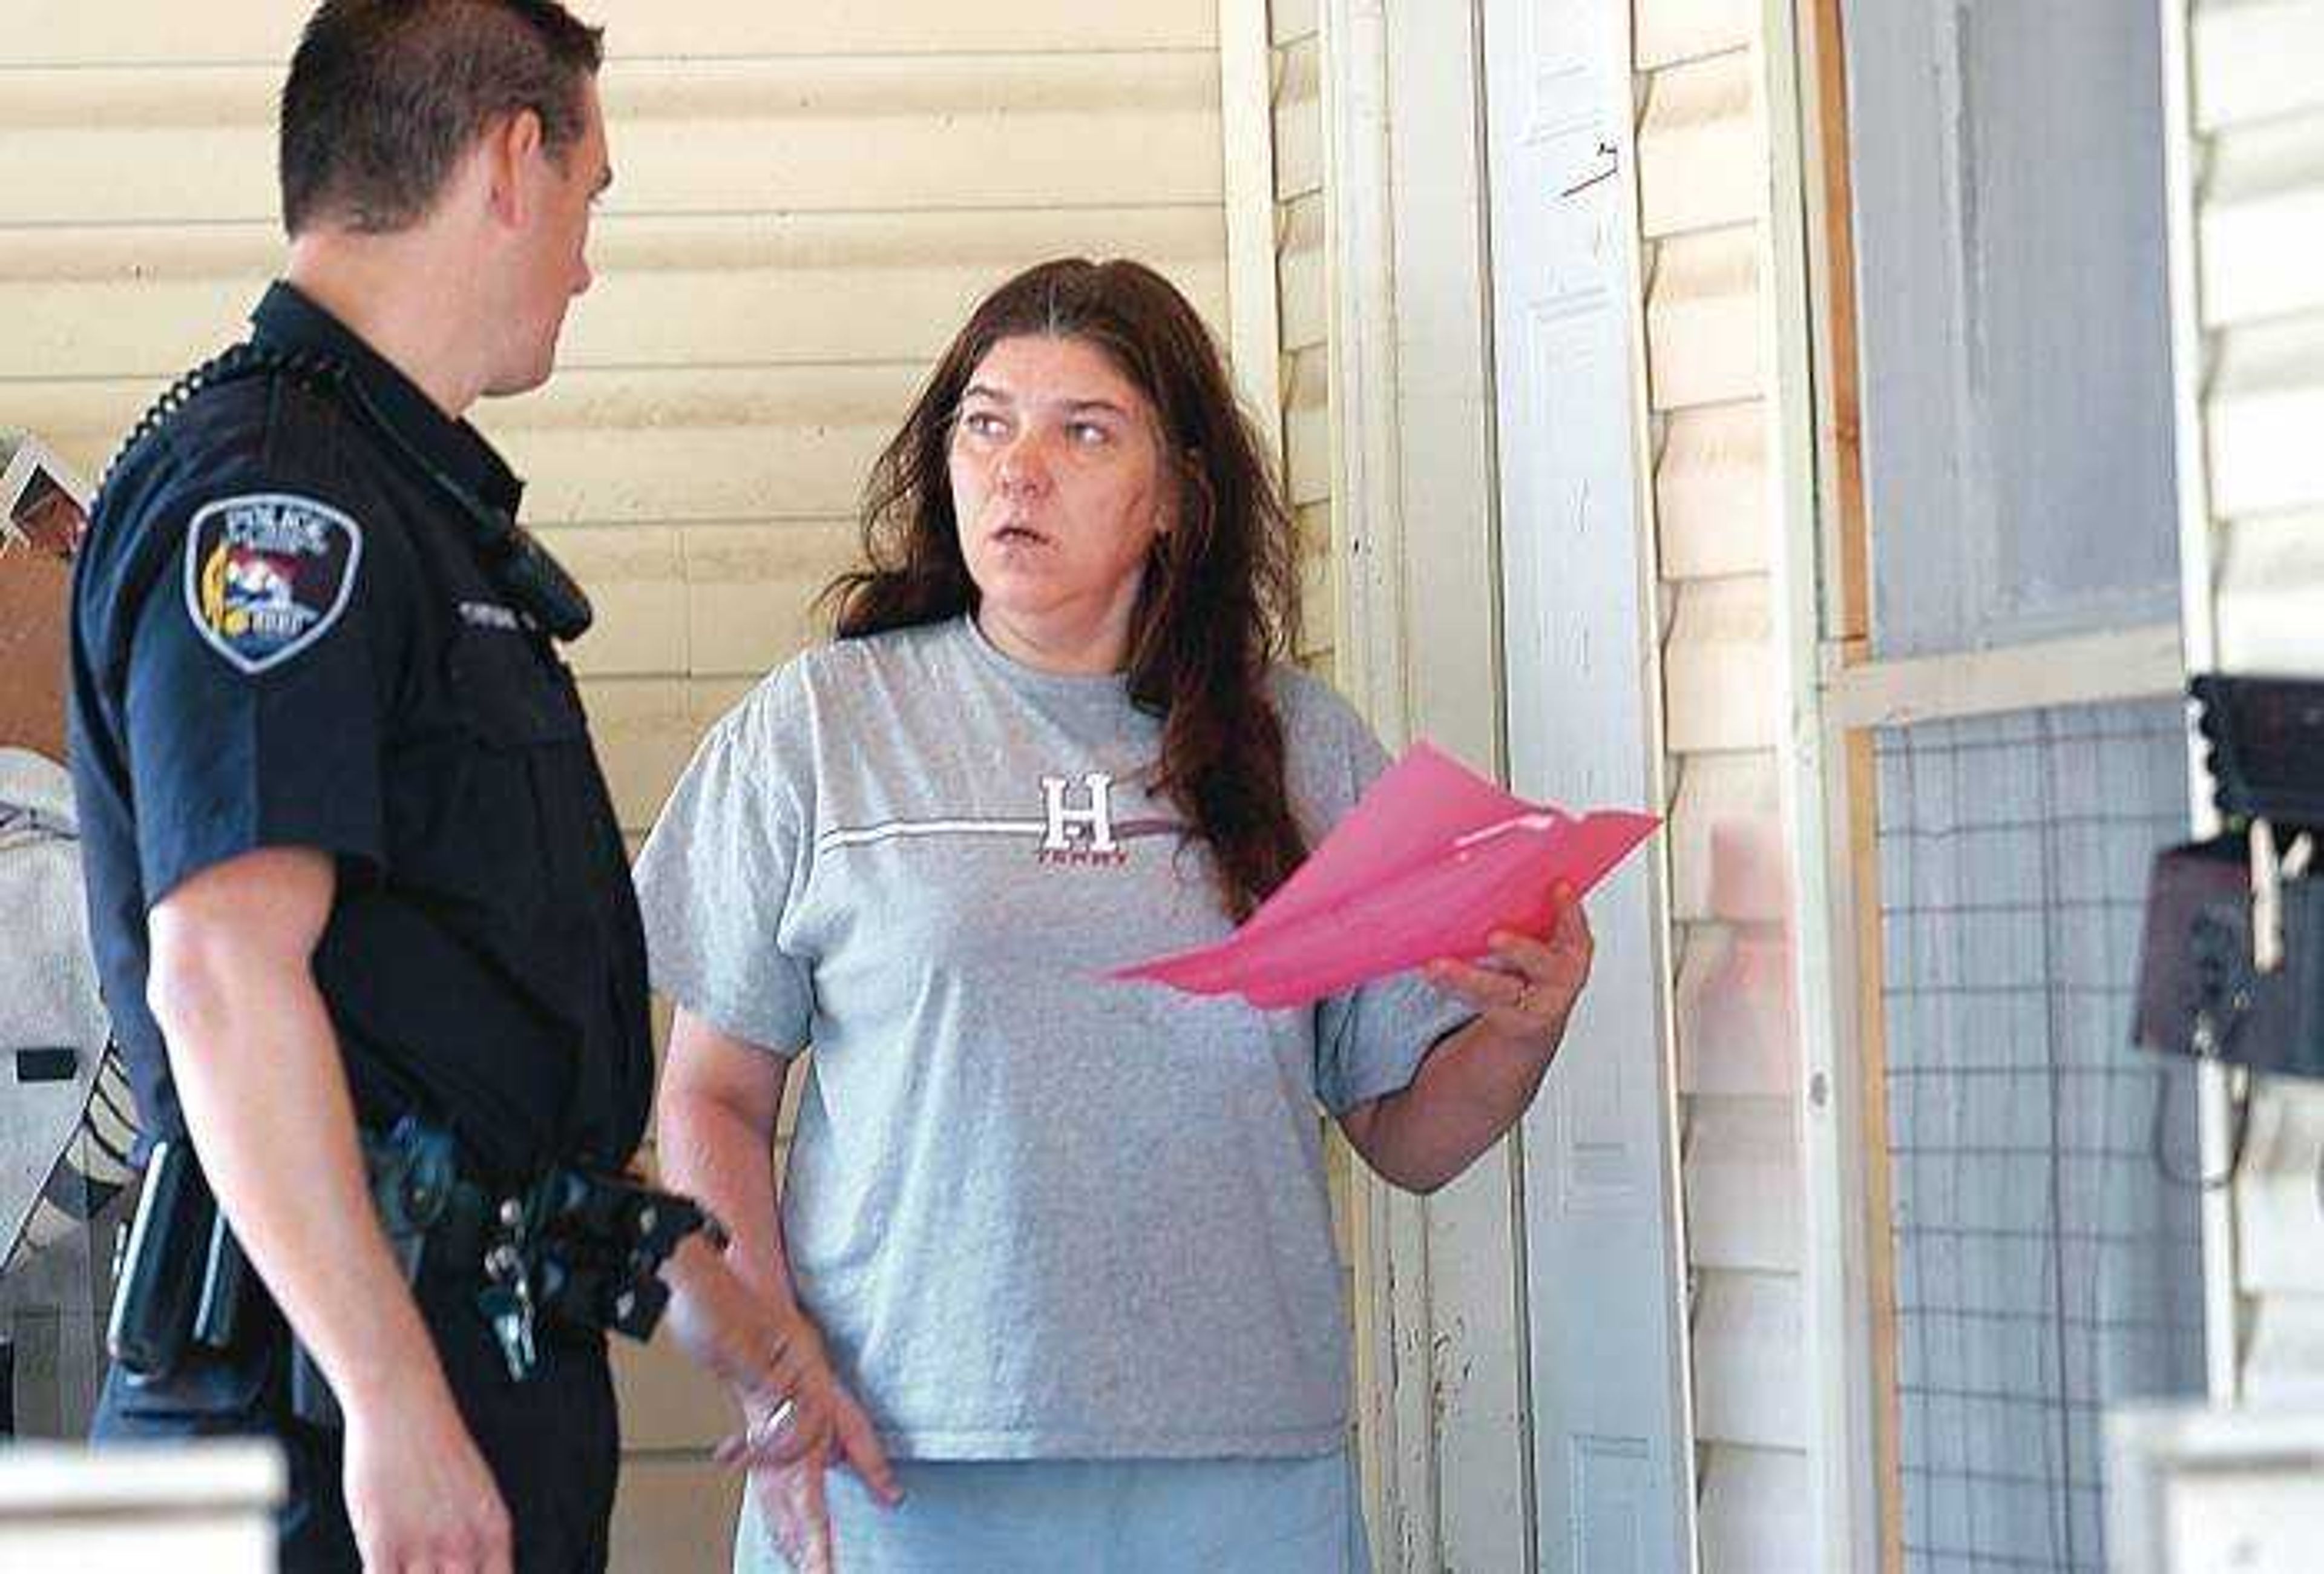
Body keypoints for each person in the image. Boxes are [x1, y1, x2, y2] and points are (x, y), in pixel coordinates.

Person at [635, 257, 1597, 1573]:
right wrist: (765, 1358)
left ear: (1177, 498)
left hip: (1242, 1474)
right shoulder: (821, 728)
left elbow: (1404, 1133)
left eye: (1084, 430)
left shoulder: (1300, 749)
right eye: (986, 422)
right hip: (896, 1461)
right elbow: (709, 1099)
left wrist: (1523, 1031)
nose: (1018, 466)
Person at [70, 4, 814, 1568]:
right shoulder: (279, 504)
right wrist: (394, 1401)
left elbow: (448, 1015)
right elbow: (222, 973)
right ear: (512, 161)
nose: (589, 264)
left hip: (439, 1388)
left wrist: (682, 1272)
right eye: (594, 195)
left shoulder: (407, 501)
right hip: (298, 1441)